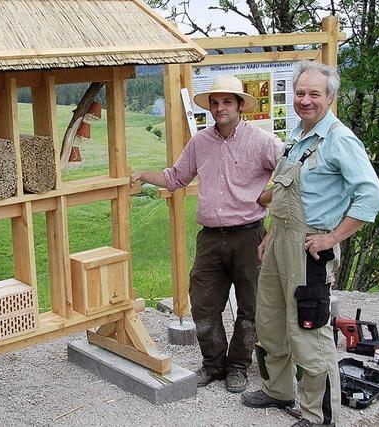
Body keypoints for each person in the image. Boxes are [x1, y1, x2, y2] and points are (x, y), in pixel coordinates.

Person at [241, 61, 379, 426]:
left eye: (314, 94)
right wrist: (271, 236)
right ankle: (278, 390)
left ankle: (318, 415)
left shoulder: (339, 139)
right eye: (300, 93)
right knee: (271, 320)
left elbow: (371, 196)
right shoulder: (297, 137)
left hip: (309, 250)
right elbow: (283, 196)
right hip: (279, 244)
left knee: (309, 330)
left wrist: (333, 237)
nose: (305, 100)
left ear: (330, 97)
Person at [131, 75, 282, 393]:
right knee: (201, 304)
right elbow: (175, 177)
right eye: (215, 102)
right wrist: (144, 174)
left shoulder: (262, 141)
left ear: (241, 105)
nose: (219, 108)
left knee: (251, 305)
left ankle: (238, 366)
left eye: (227, 101)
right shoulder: (200, 142)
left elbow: (290, 175)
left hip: (249, 235)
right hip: (211, 238)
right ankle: (214, 364)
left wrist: (265, 197)